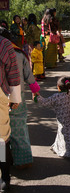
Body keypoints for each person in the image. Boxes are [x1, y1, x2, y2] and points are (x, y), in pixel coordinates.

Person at [0, 27, 40, 169]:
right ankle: (23, 160)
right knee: (19, 128)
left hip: (2, 95)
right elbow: (28, 75)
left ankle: (4, 163)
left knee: (1, 133)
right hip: (18, 96)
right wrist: (35, 90)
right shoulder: (18, 53)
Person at [36, 77, 70, 160]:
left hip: (62, 120)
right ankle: (57, 146)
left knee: (65, 135)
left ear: (58, 87)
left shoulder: (56, 97)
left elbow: (45, 102)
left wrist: (36, 97)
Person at [0, 33, 21, 193]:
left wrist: (15, 98)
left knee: (1, 139)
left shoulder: (4, 44)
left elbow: (13, 73)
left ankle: (5, 177)